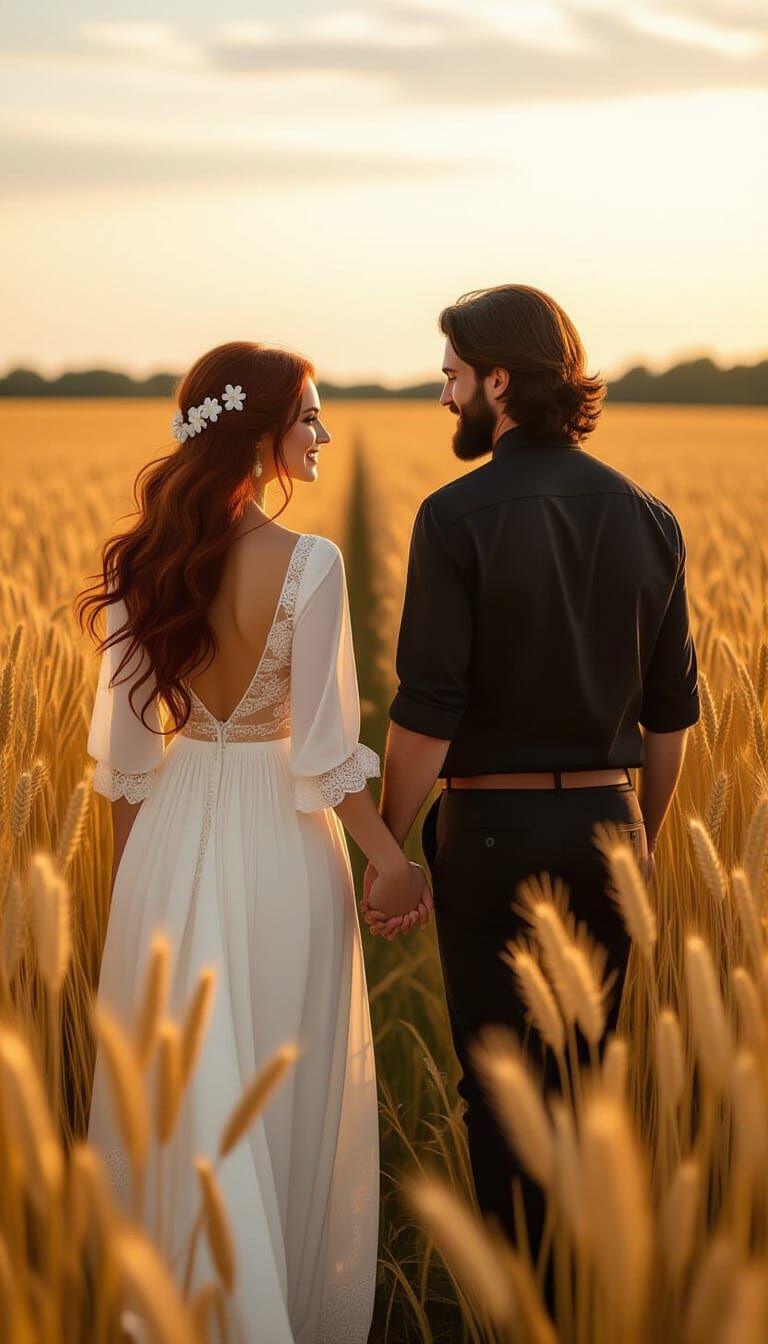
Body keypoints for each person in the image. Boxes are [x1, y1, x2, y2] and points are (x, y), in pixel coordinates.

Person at [76, 341, 431, 1344]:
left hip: (165, 838)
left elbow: (126, 769)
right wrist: (389, 858)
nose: (321, 435)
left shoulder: (143, 561)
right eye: (308, 416)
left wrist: (126, 892)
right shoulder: (310, 564)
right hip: (283, 847)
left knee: (177, 1089)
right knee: (280, 1066)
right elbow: (321, 753)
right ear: (260, 431)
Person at [361, 284, 700, 1265]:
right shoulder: (650, 516)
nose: (444, 397)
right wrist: (638, 832)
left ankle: (522, 1303)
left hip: (492, 839)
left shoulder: (453, 517)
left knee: (500, 1095)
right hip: (611, 833)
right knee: (588, 1091)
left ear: (498, 381)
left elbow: (428, 712)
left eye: (453, 378)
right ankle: (587, 1299)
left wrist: (387, 848)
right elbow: (670, 716)